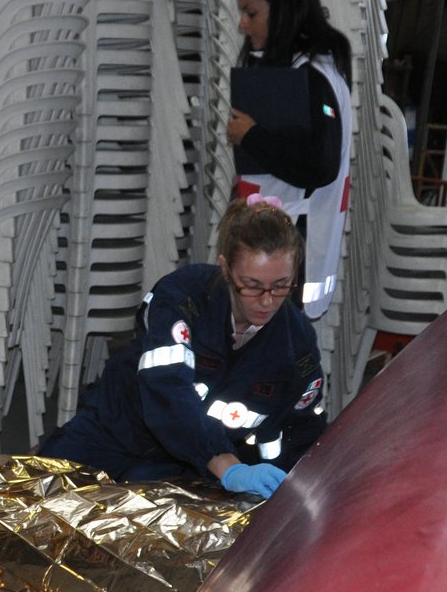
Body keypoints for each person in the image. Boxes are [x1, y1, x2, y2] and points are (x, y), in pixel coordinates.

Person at [36, 198, 326, 497]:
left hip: (187, 470)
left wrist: (286, 489)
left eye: (281, 286)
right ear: (226, 269)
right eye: (251, 285)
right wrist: (227, 465)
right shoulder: (183, 297)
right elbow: (167, 388)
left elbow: (298, 434)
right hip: (110, 433)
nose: (267, 300)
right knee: (32, 504)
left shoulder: (297, 347)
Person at [226, 0, 354, 319]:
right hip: (276, 245)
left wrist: (252, 137)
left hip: (292, 248)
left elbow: (319, 165)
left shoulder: (313, 77)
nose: (242, 23)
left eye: (251, 12)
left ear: (282, 11)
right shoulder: (296, 71)